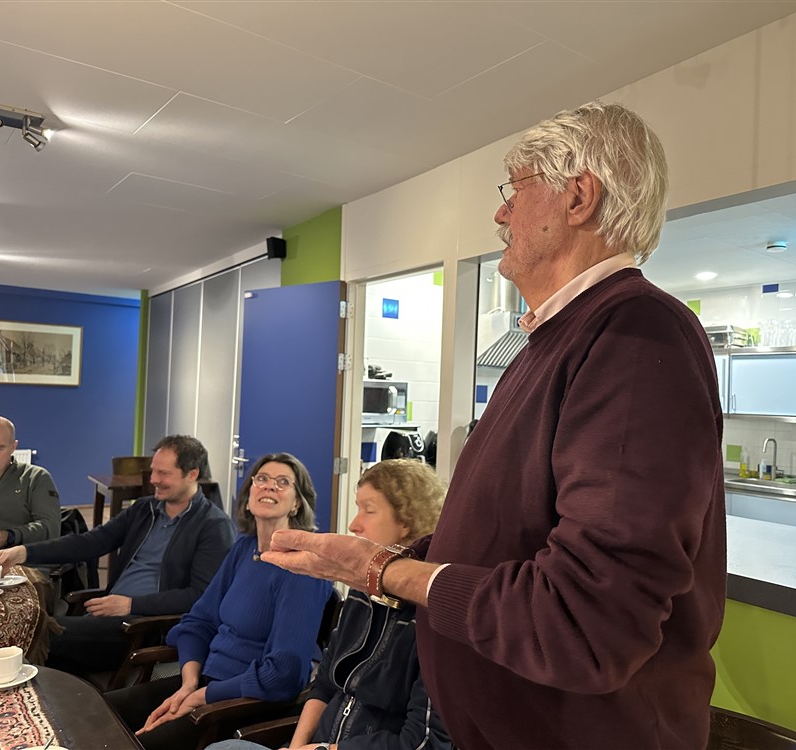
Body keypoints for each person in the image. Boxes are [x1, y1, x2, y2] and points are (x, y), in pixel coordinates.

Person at [263, 101, 727, 749]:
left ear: (579, 197)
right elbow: (507, 538)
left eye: (515, 190)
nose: (501, 214)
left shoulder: (635, 332)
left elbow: (585, 621)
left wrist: (384, 573)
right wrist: (384, 557)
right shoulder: (549, 342)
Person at [207, 459, 452, 750]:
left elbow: (422, 742)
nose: (353, 524)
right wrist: (297, 746)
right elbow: (323, 685)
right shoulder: (361, 592)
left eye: (368, 510)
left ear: (407, 521)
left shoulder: (433, 617)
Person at [105, 452, 333, 750]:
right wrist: (188, 681)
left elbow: (283, 675)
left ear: (297, 503)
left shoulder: (303, 570)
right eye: (262, 479)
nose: (269, 486)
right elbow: (198, 621)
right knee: (100, 712)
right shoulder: (244, 549)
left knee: (124, 744)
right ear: (248, 496)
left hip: (241, 702)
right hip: (203, 680)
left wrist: (201, 697)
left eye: (282, 482)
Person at [0, 434, 235, 675]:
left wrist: (130, 604)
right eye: (153, 471)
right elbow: (91, 542)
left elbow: (199, 596)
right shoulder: (145, 509)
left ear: (192, 474)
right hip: (110, 614)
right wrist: (24, 552)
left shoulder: (213, 526)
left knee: (31, 631)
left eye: (164, 473)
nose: (153, 480)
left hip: (145, 627)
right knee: (34, 646)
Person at [0, 415, 60, 556]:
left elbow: (50, 529)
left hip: (24, 561)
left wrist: (9, 536)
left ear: (13, 447)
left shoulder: (35, 478)